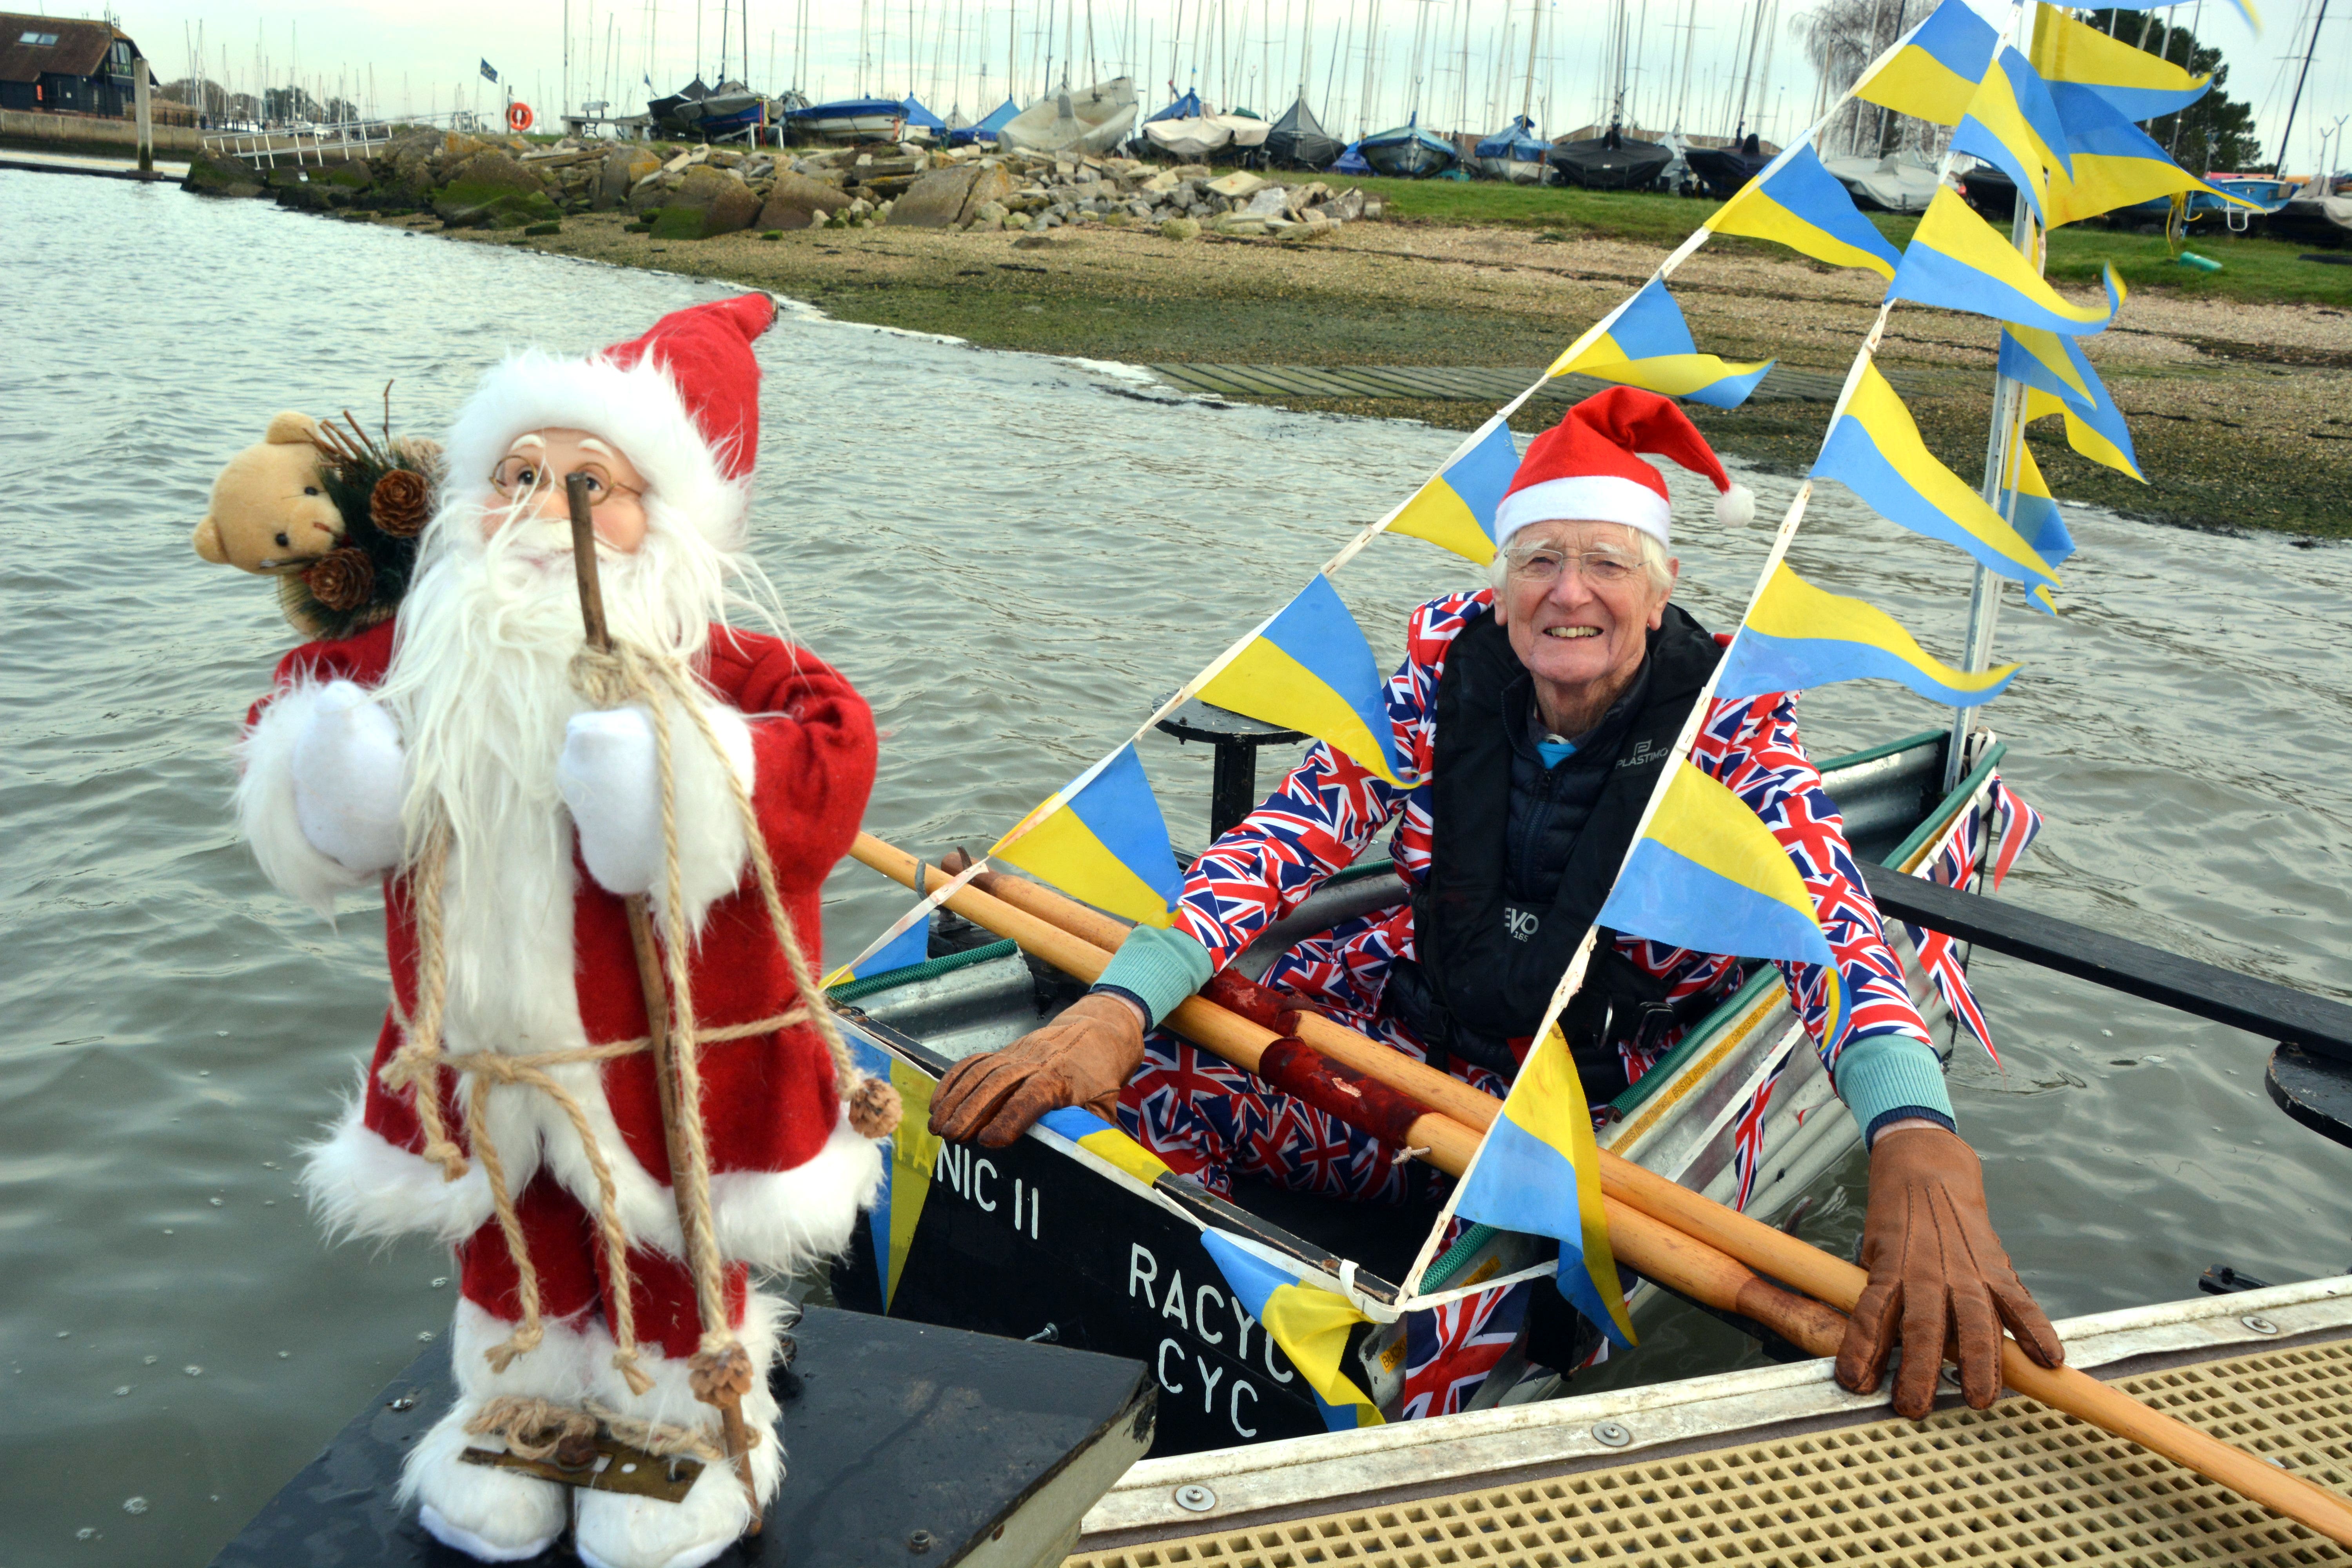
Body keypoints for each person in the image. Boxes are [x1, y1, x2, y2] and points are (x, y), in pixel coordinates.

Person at [930, 387, 2062, 1421]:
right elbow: (1281, 845)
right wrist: (1119, 1006)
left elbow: (1832, 934)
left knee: (1491, 1246)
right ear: (1500, 584)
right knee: (1135, 1086)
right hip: (1415, 1035)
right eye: (1539, 562)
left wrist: (1918, 1136)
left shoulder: (1730, 738)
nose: (1569, 594)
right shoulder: (1437, 686)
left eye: (1607, 564)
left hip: (1590, 1105)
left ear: (1663, 590)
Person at [236, 295, 883, 1568]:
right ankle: (520, 1409)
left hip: (670, 1054)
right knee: (512, 1224)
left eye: (597, 482)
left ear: (677, 517)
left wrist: (686, 788)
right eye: (520, 473)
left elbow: (832, 755)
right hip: (486, 1039)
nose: (548, 505)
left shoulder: (730, 663)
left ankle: (684, 1431)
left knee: (662, 1235)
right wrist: (338, 773)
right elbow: (304, 706)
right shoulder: (425, 654)